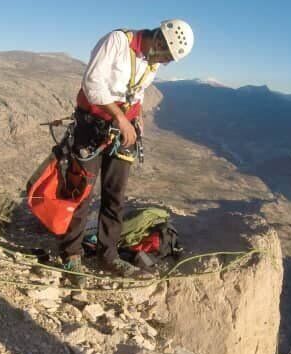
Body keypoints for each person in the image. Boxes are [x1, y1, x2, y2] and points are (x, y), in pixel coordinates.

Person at [59, 20, 194, 281]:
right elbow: (92, 83)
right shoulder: (118, 42)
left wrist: (137, 117)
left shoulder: (151, 61)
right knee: (82, 192)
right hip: (93, 125)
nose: (165, 63)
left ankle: (108, 255)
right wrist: (120, 118)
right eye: (167, 55)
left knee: (115, 196)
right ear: (159, 41)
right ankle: (71, 255)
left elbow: (138, 92)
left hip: (122, 131)